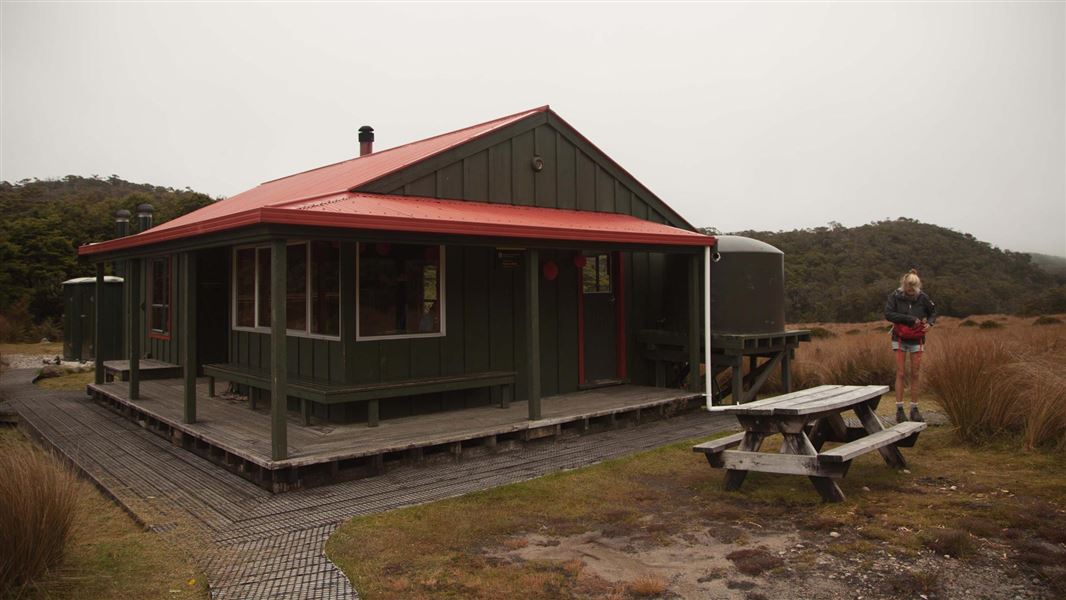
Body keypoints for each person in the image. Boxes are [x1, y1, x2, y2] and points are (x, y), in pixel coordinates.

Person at [884, 269, 937, 423]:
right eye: (908, 287)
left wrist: (930, 323)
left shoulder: (923, 297)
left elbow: (933, 312)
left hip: (917, 339)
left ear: (917, 286)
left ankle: (914, 409)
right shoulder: (895, 296)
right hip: (899, 338)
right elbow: (888, 314)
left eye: (913, 287)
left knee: (915, 374)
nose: (910, 290)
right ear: (904, 284)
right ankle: (899, 409)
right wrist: (909, 319)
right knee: (900, 373)